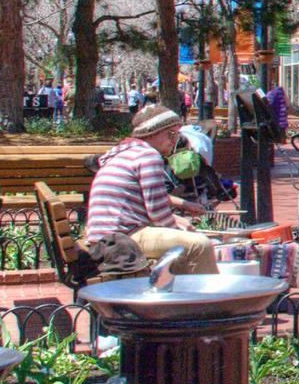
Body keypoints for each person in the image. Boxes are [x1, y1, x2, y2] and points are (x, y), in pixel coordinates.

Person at [84, 104, 218, 274]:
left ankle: (181, 297)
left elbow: (152, 204)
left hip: (104, 237)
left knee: (184, 246)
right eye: (171, 134)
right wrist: (177, 227)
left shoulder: (124, 153)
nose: (175, 140)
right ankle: (208, 299)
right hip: (121, 238)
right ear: (153, 133)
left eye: (177, 134)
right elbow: (157, 211)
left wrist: (175, 219)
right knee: (199, 244)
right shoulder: (148, 156)